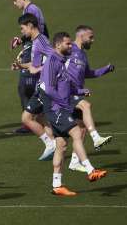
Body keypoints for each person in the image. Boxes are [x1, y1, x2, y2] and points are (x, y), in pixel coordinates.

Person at [42, 32, 107, 196]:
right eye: (68, 44)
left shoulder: (62, 61)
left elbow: (65, 86)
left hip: (60, 107)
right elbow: (49, 89)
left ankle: (57, 185)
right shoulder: (52, 61)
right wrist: (63, 104)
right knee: (77, 132)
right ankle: (90, 170)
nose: (71, 46)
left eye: (71, 44)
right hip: (56, 108)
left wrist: (80, 91)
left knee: (61, 145)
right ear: (58, 45)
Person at [66, 25, 114, 171]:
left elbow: (88, 73)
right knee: (86, 106)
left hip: (77, 93)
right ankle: (96, 138)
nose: (93, 40)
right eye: (90, 37)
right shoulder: (69, 50)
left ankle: (74, 161)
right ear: (81, 36)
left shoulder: (83, 55)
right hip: (67, 93)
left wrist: (105, 69)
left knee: (81, 129)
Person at [13, 14, 56, 160]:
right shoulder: (36, 41)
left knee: (26, 118)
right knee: (40, 118)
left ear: (31, 26)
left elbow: (56, 59)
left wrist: (39, 69)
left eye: (22, 28)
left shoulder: (41, 41)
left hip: (46, 85)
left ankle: (50, 144)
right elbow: (34, 65)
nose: (22, 31)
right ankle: (56, 146)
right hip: (42, 85)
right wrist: (21, 66)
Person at [9, 0, 49, 134]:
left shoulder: (31, 10)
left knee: (26, 87)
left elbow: (36, 32)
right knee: (29, 87)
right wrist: (20, 40)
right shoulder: (32, 10)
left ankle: (31, 122)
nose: (14, 4)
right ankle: (40, 119)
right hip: (32, 49)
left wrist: (26, 45)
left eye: (15, 0)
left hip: (33, 52)